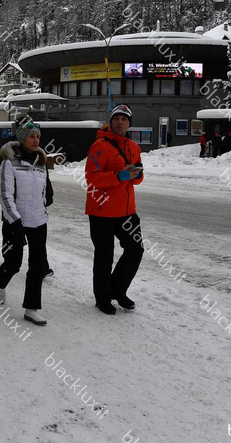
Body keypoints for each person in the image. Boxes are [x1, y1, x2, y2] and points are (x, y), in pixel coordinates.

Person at [85, 104, 145, 315]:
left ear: (129, 124)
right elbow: (91, 178)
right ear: (111, 122)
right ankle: (102, 297)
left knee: (136, 249)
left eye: (125, 119)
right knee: (104, 255)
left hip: (126, 210)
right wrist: (119, 176)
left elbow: (138, 178)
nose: (120, 122)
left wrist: (135, 174)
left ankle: (117, 290)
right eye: (117, 118)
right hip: (101, 210)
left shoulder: (133, 147)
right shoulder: (99, 146)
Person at [0, 117, 54, 326]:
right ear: (22, 139)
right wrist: (15, 222)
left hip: (39, 220)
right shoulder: (9, 163)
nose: (36, 140)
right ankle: (0, 281)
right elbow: (5, 196)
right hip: (16, 222)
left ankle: (31, 308)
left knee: (37, 266)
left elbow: (44, 192)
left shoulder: (41, 164)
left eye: (38, 136)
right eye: (31, 136)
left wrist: (44, 206)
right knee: (14, 263)